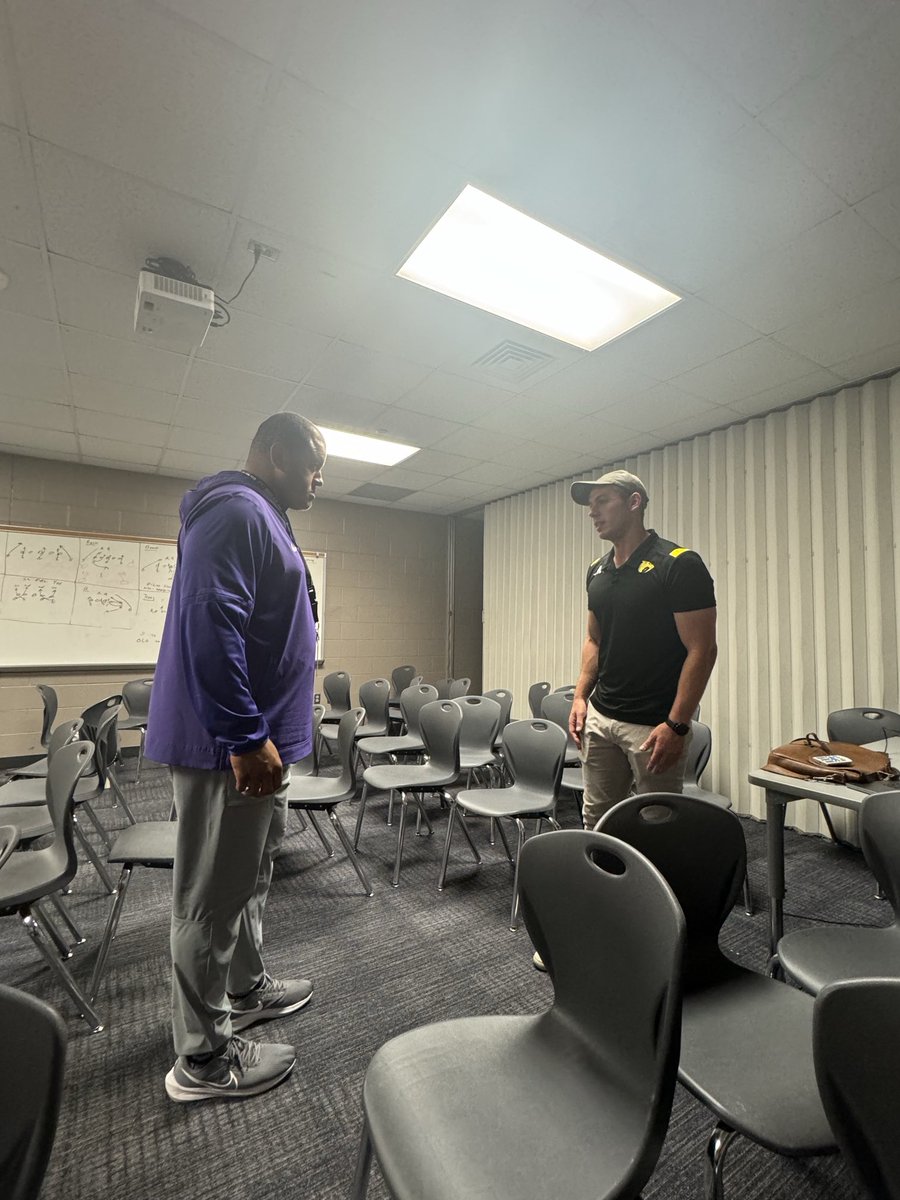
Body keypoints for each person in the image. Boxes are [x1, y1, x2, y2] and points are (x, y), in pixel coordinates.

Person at [145, 411, 327, 1102]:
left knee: (246, 878)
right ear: (276, 453)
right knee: (207, 901)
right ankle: (203, 1059)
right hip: (233, 748)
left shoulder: (263, 513)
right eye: (314, 461)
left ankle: (246, 987)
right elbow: (209, 620)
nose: (320, 477)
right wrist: (245, 736)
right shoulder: (235, 510)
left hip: (256, 745)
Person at [568, 469, 717, 830]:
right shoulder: (596, 570)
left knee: (657, 824)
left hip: (652, 726)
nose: (593, 512)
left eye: (603, 501)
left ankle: (658, 886)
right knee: (598, 819)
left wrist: (677, 725)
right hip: (601, 719)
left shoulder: (679, 564)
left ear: (634, 502)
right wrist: (579, 697)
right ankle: (604, 885)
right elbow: (594, 639)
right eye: (591, 505)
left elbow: (702, 650)